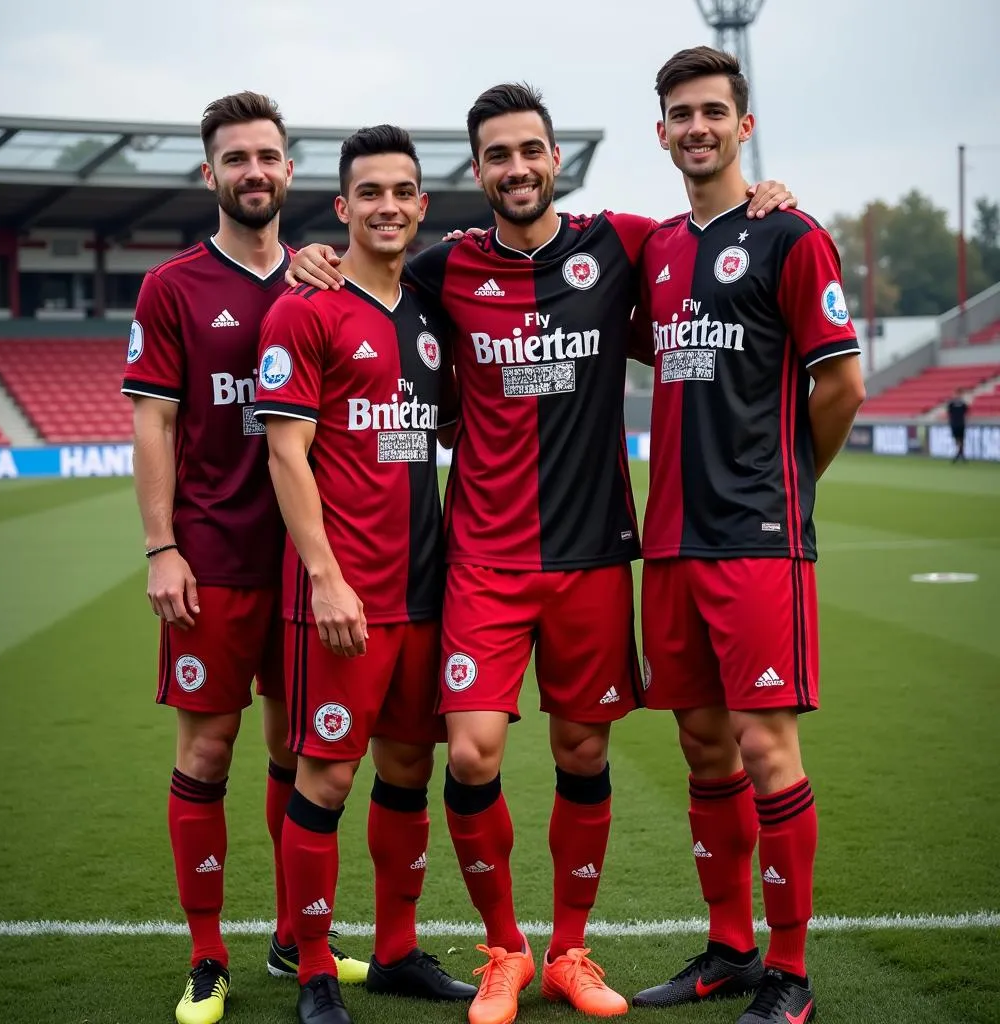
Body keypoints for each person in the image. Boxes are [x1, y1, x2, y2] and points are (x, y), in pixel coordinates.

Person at [287, 84, 795, 1024]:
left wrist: (766, 199)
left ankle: (569, 950)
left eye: (530, 151)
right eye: (496, 156)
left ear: (554, 158)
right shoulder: (443, 268)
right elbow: (375, 280)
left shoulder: (623, 244)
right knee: (472, 755)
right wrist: (311, 258)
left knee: (580, 747)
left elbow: (709, 232)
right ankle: (505, 952)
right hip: (481, 557)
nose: (515, 169)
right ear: (475, 172)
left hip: (596, 552)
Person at [629, 47, 865, 1024]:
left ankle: (790, 970)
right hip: (672, 540)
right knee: (701, 745)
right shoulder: (653, 252)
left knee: (768, 747)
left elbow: (841, 383)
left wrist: (787, 484)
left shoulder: (790, 235)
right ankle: (727, 948)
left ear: (743, 123)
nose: (696, 128)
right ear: (660, 133)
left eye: (712, 112)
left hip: (757, 539)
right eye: (679, 114)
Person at [121, 91, 366, 1024]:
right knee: (208, 748)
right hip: (215, 560)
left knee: (296, 751)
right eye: (236, 159)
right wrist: (161, 546)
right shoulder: (174, 286)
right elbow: (154, 423)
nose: (253, 172)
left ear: (290, 170)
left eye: (268, 156)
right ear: (210, 174)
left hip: (311, 565)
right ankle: (207, 955)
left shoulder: (320, 279)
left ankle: (296, 940)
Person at [253, 124, 476, 1024]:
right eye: (369, 193)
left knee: (409, 769)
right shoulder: (303, 307)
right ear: (341, 208)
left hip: (426, 587)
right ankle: (310, 966)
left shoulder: (429, 314)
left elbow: (454, 430)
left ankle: (395, 951)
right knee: (326, 778)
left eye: (404, 192)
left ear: (422, 206)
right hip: (343, 596)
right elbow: (284, 453)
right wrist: (325, 577)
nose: (388, 206)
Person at [947, 388, 969, 461]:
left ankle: (959, 454)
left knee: (961, 439)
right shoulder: (951, 404)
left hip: (961, 424)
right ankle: (960, 454)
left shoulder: (963, 404)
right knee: (957, 440)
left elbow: (966, 412)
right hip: (954, 424)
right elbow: (949, 413)